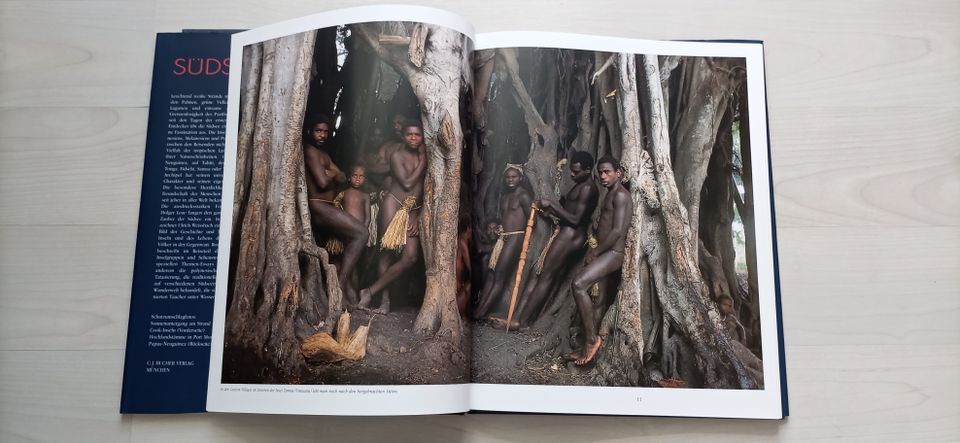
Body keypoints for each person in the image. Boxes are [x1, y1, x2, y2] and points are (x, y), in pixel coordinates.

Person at [491, 151, 599, 330]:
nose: (572, 174)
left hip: (571, 235)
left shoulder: (588, 188)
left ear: (588, 170)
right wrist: (551, 212)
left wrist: (552, 205)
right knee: (537, 272)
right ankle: (516, 317)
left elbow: (575, 220)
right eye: (571, 170)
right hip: (564, 232)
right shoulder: (580, 184)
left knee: (545, 276)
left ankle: (522, 322)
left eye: (576, 172)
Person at [568, 156, 632, 365]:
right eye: (600, 172)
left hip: (612, 254)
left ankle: (590, 341)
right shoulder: (610, 193)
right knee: (598, 300)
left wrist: (596, 252)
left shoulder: (621, 196)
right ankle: (590, 349)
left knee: (578, 285)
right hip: (604, 252)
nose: (603, 176)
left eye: (607, 172)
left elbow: (617, 231)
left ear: (619, 172)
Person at [358, 122, 427, 314]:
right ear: (403, 137)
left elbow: (424, 191)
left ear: (423, 137)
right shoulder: (397, 155)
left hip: (412, 210)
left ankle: (370, 291)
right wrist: (423, 162)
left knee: (410, 257)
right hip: (393, 203)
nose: (413, 138)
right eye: (409, 134)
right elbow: (407, 183)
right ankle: (384, 302)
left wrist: (417, 215)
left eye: (417, 135)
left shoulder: (429, 159)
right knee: (387, 251)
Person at [303, 115, 368, 308]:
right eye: (318, 130)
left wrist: (330, 173)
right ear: (310, 131)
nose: (322, 135)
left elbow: (342, 176)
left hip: (327, 207)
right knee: (362, 233)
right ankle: (340, 284)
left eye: (325, 131)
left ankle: (341, 291)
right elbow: (323, 182)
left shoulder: (325, 154)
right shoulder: (310, 151)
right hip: (319, 206)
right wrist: (331, 174)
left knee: (339, 250)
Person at [473, 164, 532, 320]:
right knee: (492, 274)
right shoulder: (505, 197)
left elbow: (532, 220)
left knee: (499, 275)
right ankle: (479, 307)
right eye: (507, 177)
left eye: (514, 177)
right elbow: (505, 218)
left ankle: (481, 313)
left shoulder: (524, 196)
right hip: (503, 237)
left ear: (521, 178)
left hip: (516, 237)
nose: (510, 180)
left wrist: (523, 240)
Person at [338, 164, 371, 302]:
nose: (357, 179)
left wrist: (363, 232)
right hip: (345, 233)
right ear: (349, 178)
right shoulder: (343, 193)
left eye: (361, 176)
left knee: (355, 267)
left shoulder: (365, 195)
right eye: (354, 176)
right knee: (347, 265)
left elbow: (368, 217)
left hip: (360, 236)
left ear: (365, 179)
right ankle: (345, 295)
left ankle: (354, 298)